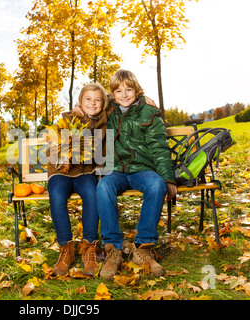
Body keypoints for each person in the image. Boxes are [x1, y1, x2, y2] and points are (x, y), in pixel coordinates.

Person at [97, 69, 178, 280]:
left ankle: (142, 248)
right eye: (118, 91)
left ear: (137, 90)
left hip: (142, 168)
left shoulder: (148, 113)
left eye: (129, 90)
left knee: (156, 185)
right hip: (116, 170)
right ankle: (113, 250)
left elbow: (159, 148)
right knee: (103, 187)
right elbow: (92, 99)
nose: (124, 95)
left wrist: (168, 178)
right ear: (112, 94)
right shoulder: (108, 110)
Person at [47, 83, 109, 276]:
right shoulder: (68, 118)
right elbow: (52, 145)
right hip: (62, 171)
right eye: (88, 99)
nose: (93, 103)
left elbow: (121, 97)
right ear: (80, 102)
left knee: (92, 193)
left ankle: (89, 246)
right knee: (56, 195)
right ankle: (66, 248)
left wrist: (143, 97)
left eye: (97, 100)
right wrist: (61, 153)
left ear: (103, 103)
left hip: (86, 172)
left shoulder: (106, 118)